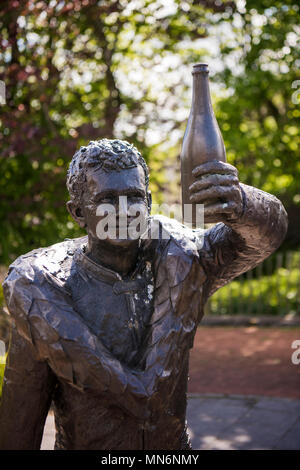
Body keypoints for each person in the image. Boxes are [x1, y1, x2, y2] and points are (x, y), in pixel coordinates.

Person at [0, 139, 287, 450]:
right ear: (79, 212)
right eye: (107, 199)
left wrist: (242, 201)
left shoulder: (183, 258)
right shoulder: (46, 290)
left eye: (134, 197)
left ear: (149, 202)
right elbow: (19, 422)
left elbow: (264, 238)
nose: (123, 212)